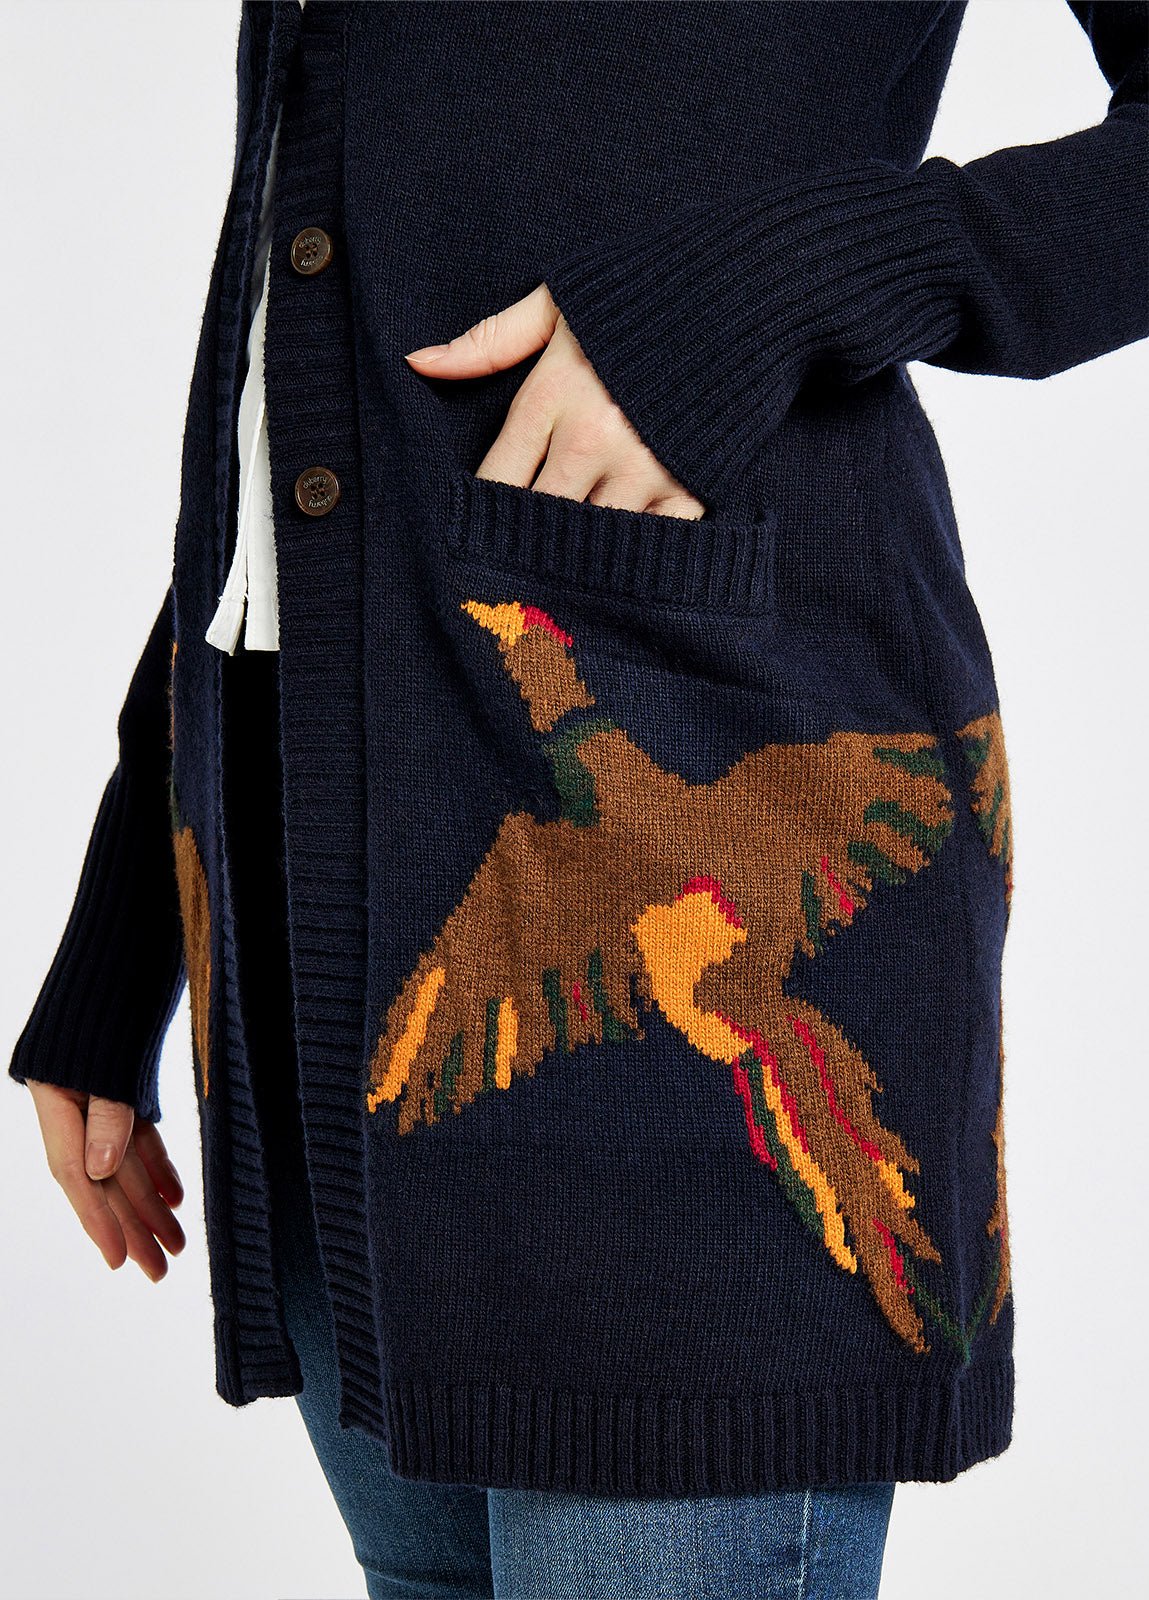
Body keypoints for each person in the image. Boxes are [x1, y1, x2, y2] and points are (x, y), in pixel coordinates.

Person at [9, 3, 1147, 1596]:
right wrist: (136, 906)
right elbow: (298, 371)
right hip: (319, 939)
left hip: (710, 888)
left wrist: (787, 280)